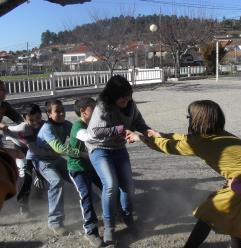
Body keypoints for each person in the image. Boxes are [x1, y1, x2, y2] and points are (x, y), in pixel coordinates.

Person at [126, 100, 241, 248]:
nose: (188, 120)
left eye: (189, 117)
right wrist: (159, 134)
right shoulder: (218, 134)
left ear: (197, 120)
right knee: (229, 214)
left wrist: (140, 138)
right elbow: (184, 139)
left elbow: (170, 147)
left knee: (208, 213)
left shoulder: (200, 142)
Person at [85, 75, 154, 245]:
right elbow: (94, 132)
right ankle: (109, 227)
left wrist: (149, 132)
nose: (126, 99)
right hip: (99, 148)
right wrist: (121, 130)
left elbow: (138, 122)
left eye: (128, 95)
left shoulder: (131, 105)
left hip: (118, 149)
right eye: (122, 97)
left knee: (128, 186)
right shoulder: (102, 106)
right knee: (110, 185)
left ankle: (128, 217)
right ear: (112, 96)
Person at [33, 99, 87, 236]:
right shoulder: (47, 128)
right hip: (42, 162)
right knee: (57, 182)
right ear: (49, 114)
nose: (62, 113)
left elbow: (79, 136)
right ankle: (55, 221)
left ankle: (95, 202)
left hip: (56, 159)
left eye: (62, 110)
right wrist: (83, 154)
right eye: (57, 111)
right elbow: (59, 148)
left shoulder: (66, 124)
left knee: (79, 173)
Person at [0, 103, 51, 217]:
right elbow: (8, 128)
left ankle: (38, 195)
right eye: (31, 120)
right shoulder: (23, 127)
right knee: (25, 174)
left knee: (41, 171)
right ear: (24, 119)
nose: (35, 123)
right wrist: (4, 127)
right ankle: (23, 205)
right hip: (21, 149)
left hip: (34, 148)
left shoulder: (44, 124)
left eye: (38, 118)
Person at [67, 97, 103, 247]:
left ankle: (118, 214)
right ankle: (91, 230)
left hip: (91, 166)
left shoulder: (92, 124)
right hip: (77, 168)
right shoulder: (78, 126)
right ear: (83, 111)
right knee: (86, 196)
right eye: (93, 109)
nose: (97, 113)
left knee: (109, 186)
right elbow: (86, 136)